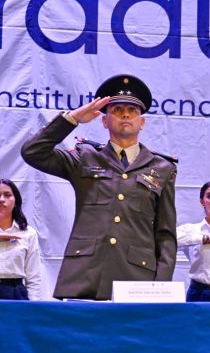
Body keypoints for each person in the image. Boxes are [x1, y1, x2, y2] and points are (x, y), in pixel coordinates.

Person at [21, 74, 178, 300]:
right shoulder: (85, 158)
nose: (125, 114)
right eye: (117, 109)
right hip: (86, 276)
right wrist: (72, 119)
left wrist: (160, 288)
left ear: (142, 122)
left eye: (132, 110)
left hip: (137, 279)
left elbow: (165, 235)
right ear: (104, 120)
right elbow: (32, 152)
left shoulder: (162, 168)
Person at [0, 179, 44, 300]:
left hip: (16, 293)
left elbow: (33, 277)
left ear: (16, 201)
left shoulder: (28, 233)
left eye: (7, 195)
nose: (1, 200)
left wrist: (34, 305)